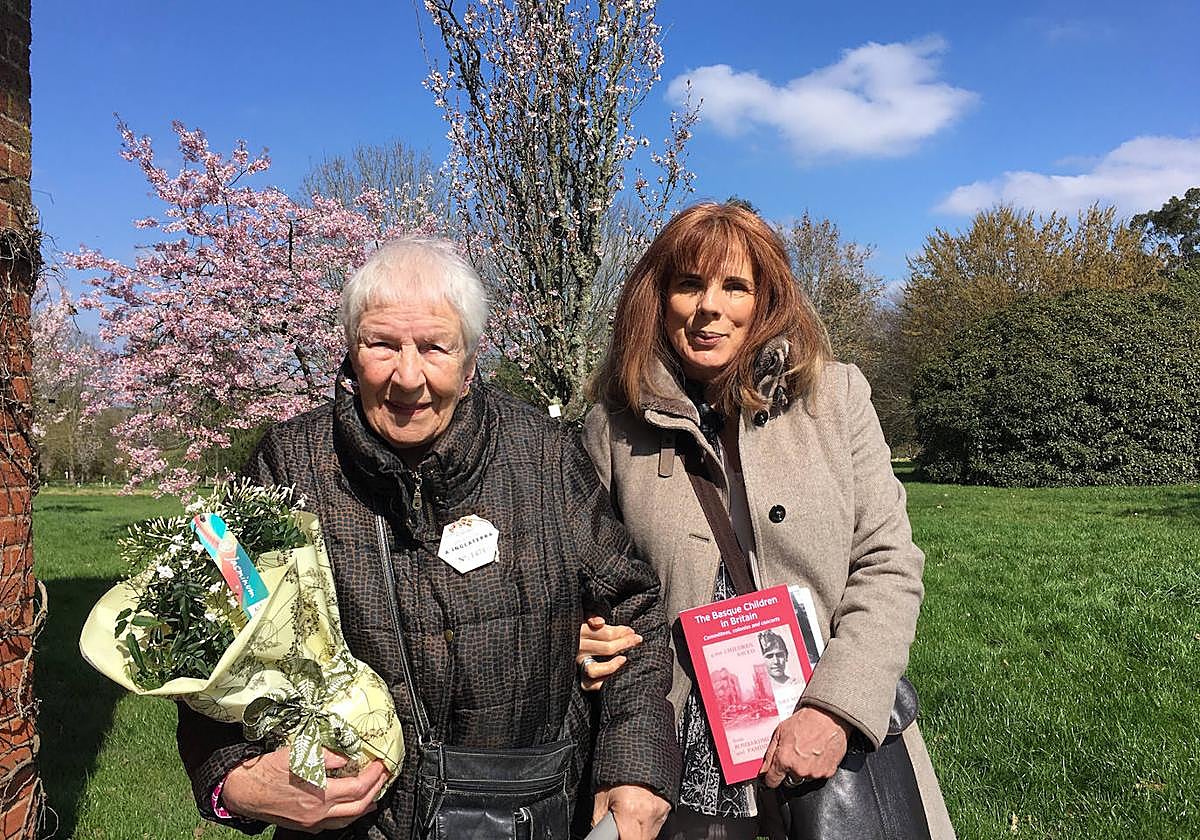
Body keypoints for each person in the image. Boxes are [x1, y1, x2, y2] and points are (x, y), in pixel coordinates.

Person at [176, 237, 679, 840]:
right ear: (349, 350)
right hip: (347, 823)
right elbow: (203, 638)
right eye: (382, 345)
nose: (408, 377)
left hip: (523, 813)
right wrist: (233, 779)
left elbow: (634, 609)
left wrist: (636, 769)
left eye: (434, 348)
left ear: (470, 364)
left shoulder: (543, 456)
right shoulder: (289, 464)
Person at [580, 202, 954, 839]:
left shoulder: (835, 398)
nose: (710, 307)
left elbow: (888, 564)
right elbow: (596, 586)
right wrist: (586, 639)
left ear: (767, 299)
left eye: (736, 287)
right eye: (689, 284)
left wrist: (834, 709)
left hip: (826, 742)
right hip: (680, 760)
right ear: (658, 298)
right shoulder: (610, 429)